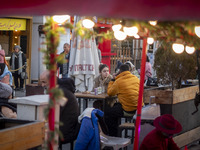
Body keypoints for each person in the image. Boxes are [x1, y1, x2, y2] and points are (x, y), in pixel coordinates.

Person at [40, 71, 80, 146]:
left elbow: (54, 113)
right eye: (41, 82)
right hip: (69, 127)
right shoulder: (61, 89)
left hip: (65, 132)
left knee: (37, 134)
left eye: (44, 82)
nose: (42, 85)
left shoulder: (60, 92)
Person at [105, 64, 144, 136]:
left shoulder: (118, 81)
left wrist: (112, 80)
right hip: (139, 109)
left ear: (119, 71)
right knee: (115, 108)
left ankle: (113, 135)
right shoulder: (136, 79)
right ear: (129, 70)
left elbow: (110, 93)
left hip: (128, 109)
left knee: (108, 113)